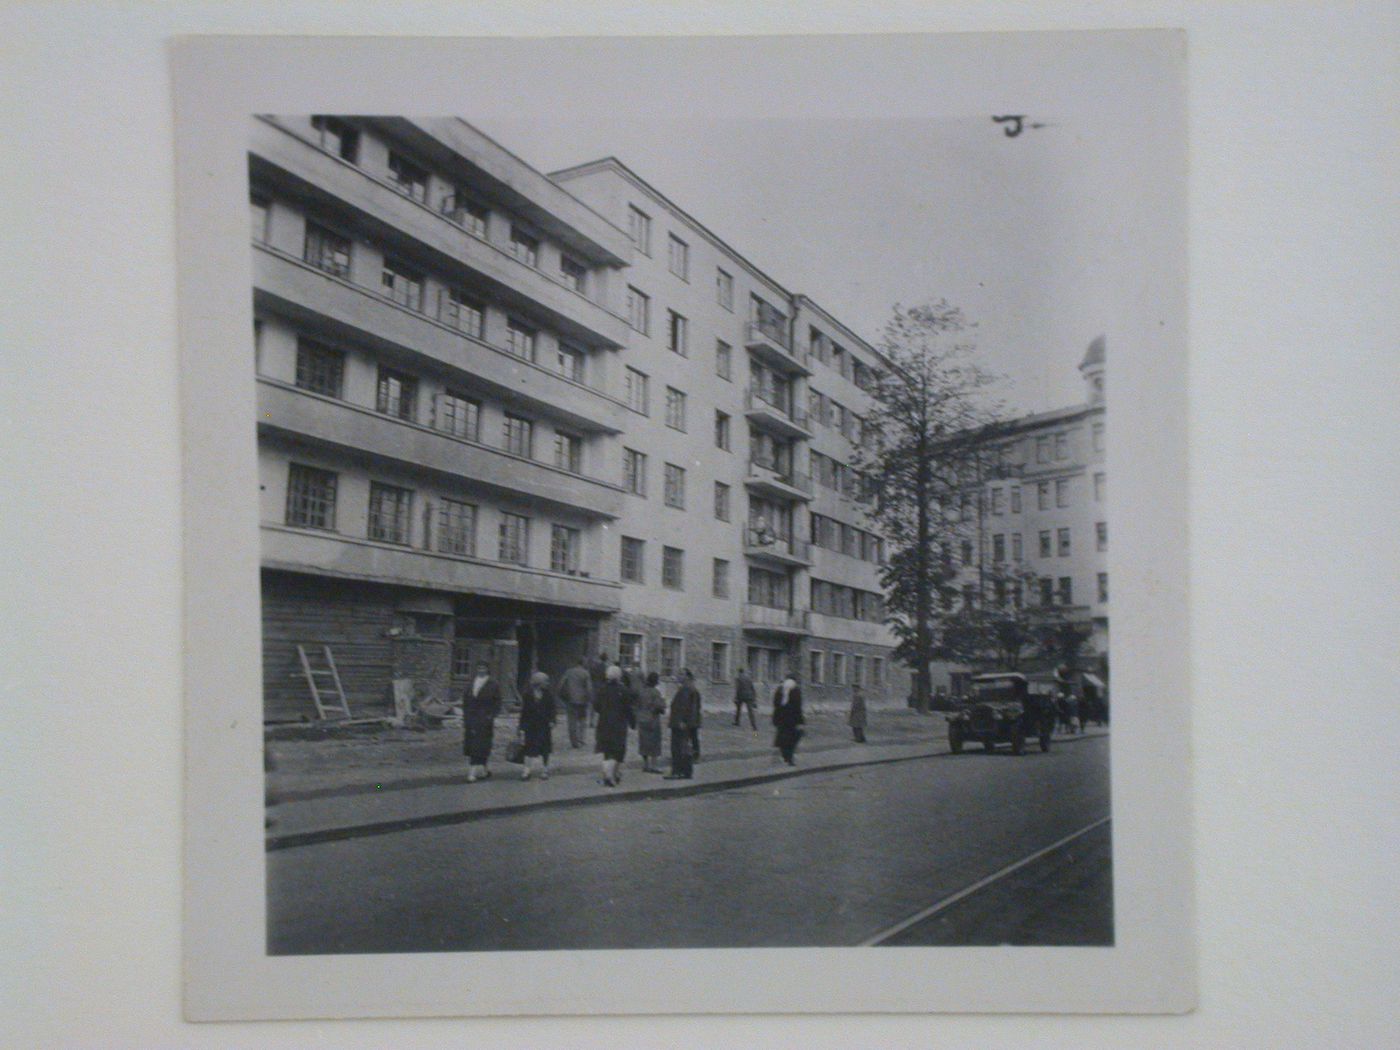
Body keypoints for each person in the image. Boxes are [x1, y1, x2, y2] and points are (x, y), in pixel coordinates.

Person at [594, 664, 635, 787]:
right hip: (619, 724)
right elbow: (629, 708)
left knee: (606, 750)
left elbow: (596, 706)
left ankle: (609, 775)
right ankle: (611, 775)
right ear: (619, 677)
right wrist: (632, 722)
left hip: (604, 723)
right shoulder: (623, 691)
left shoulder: (601, 689)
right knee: (617, 750)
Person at [462, 660, 502, 783]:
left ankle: (472, 773)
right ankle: (484, 770)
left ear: (487, 670)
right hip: (471, 718)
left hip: (484, 719)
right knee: (474, 744)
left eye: (483, 668)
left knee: (479, 744)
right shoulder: (472, 683)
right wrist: (466, 716)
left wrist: (491, 716)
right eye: (479, 668)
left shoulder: (493, 684)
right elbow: (466, 700)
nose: (481, 670)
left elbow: (498, 702)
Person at [517, 671, 556, 780]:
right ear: (539, 682)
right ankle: (526, 770)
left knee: (545, 749)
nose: (547, 683)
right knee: (529, 748)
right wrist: (521, 727)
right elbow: (524, 711)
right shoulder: (528, 694)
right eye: (545, 681)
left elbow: (552, 709)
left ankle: (545, 769)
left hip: (544, 725)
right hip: (531, 725)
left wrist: (552, 720)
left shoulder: (548, 694)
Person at [665, 669, 701, 780]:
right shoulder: (689, 688)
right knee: (684, 747)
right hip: (685, 723)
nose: (678, 675)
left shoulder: (686, 689)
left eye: (681, 674)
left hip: (681, 724)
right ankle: (686, 772)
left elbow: (685, 707)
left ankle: (677, 771)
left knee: (678, 748)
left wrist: (683, 721)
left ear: (687, 677)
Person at [558, 655, 593, 749]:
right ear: (583, 663)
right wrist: (590, 699)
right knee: (582, 720)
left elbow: (561, 684)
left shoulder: (569, 672)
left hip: (570, 699)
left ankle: (574, 741)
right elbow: (589, 688)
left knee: (571, 721)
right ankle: (581, 739)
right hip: (582, 700)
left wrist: (562, 696)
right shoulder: (586, 673)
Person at [635, 671, 667, 773]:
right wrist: (663, 704)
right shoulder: (655, 692)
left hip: (642, 719)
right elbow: (660, 707)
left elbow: (637, 705)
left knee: (644, 742)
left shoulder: (642, 691)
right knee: (654, 742)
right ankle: (654, 765)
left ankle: (645, 764)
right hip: (652, 720)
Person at [772, 672, 805, 765]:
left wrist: (776, 718)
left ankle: (785, 755)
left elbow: (775, 704)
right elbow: (798, 707)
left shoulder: (780, 689)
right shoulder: (796, 690)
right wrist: (801, 721)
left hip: (781, 718)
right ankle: (789, 758)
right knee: (792, 739)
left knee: (782, 738)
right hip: (792, 719)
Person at [588, 651, 609, 728]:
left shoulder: (594, 666)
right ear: (606, 659)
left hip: (594, 686)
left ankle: (591, 721)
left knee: (593, 705)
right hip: (602, 688)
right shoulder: (605, 667)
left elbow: (591, 675)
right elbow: (606, 678)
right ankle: (600, 722)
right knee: (602, 705)